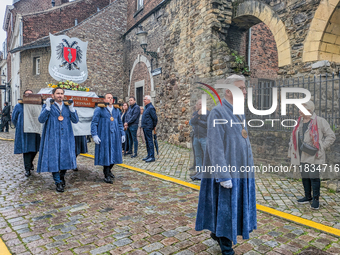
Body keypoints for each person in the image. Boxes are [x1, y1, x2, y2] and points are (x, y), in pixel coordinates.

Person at [195, 75, 257, 255]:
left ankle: (217, 232)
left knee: (233, 206)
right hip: (228, 170)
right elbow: (215, 146)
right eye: (241, 88)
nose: (245, 91)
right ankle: (226, 247)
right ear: (229, 91)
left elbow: (243, 138)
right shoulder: (218, 112)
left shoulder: (239, 110)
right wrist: (222, 175)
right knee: (226, 207)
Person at [288, 100, 335, 210]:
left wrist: (321, 146)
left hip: (314, 155)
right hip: (301, 154)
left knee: (314, 177)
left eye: (301, 109)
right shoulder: (299, 121)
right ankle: (307, 196)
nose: (299, 111)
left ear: (308, 110)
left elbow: (331, 136)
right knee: (305, 176)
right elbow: (293, 136)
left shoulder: (320, 121)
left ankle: (315, 199)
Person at [37, 87, 79, 192]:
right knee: (53, 158)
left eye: (61, 93)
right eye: (57, 93)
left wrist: (72, 110)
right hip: (52, 136)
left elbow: (75, 120)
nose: (60, 95)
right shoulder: (48, 106)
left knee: (65, 157)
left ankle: (62, 176)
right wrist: (47, 108)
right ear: (53, 95)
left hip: (66, 136)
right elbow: (41, 119)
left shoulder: (67, 106)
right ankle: (58, 181)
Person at [91, 93, 125, 184]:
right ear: (104, 100)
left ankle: (109, 170)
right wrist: (94, 135)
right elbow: (94, 123)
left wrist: (122, 133)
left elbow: (119, 123)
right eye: (108, 98)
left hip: (115, 136)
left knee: (115, 154)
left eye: (111, 98)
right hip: (104, 135)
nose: (110, 99)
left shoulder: (116, 110)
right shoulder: (99, 109)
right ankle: (106, 174)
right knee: (106, 154)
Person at [12, 90, 41, 177]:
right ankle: (27, 169)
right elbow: (14, 118)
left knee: (35, 149)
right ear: (24, 95)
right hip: (25, 132)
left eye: (31, 94)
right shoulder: (19, 106)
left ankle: (30, 162)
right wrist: (20, 127)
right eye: (27, 94)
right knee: (27, 150)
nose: (29, 95)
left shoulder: (37, 106)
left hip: (35, 131)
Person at [189, 99, 209, 181]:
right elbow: (191, 122)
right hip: (196, 138)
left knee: (206, 155)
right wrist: (197, 115)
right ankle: (198, 172)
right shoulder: (195, 113)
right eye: (199, 104)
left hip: (204, 137)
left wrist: (198, 120)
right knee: (198, 155)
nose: (200, 105)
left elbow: (207, 124)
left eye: (201, 104)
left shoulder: (208, 113)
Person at [141, 95, 158, 163]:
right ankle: (149, 155)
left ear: (149, 100)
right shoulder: (146, 108)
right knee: (147, 142)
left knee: (150, 141)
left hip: (148, 126)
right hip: (145, 126)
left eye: (145, 99)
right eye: (144, 99)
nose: (144, 100)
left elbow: (155, 118)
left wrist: (153, 126)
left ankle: (152, 156)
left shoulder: (151, 108)